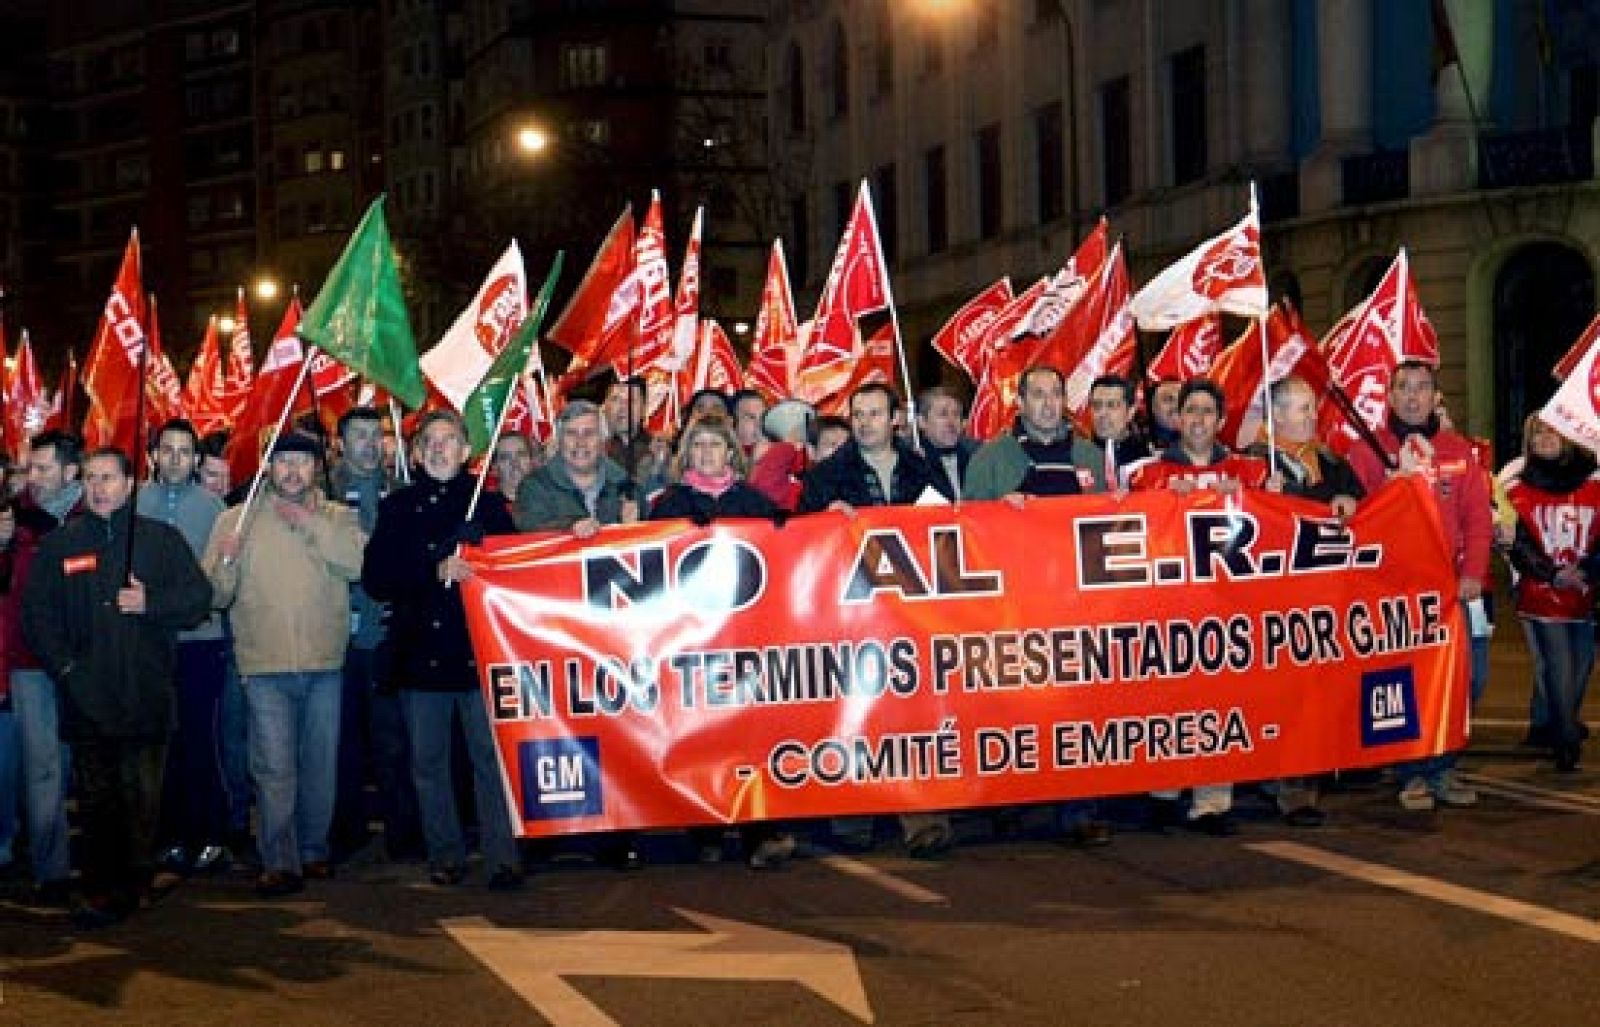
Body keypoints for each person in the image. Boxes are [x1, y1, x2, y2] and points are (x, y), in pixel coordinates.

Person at [22, 447, 211, 927]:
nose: (98, 487)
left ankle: (136, 882)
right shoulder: (63, 545)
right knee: (96, 799)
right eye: (90, 478)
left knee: (142, 797)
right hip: (87, 695)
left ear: (130, 485)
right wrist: (66, 669)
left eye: (108, 478)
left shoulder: (159, 540)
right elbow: (38, 616)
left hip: (146, 694)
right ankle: (99, 888)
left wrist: (151, 602)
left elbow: (198, 600)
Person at [362, 410, 524, 890]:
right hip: (419, 657)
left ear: (466, 450)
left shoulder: (488, 506)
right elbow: (377, 579)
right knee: (428, 763)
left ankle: (502, 855)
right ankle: (445, 852)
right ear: (415, 453)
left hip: (479, 654)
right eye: (429, 441)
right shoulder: (397, 508)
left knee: (489, 762)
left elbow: (516, 571)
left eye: (449, 440)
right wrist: (433, 569)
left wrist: (483, 558)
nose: (438, 449)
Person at [204, 432, 367, 896]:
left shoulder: (337, 516)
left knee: (320, 763)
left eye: (302, 462)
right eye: (283, 462)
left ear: (316, 468)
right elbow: (214, 594)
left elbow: (358, 564)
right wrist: (227, 563)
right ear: (266, 466)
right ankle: (278, 859)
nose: (292, 471)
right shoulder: (237, 520)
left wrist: (310, 524)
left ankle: (314, 850)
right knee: (273, 766)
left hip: (325, 662)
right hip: (263, 665)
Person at [799, 384, 951, 857]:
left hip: (911, 614)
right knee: (854, 711)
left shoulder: (922, 470)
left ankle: (922, 817)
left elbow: (950, 529)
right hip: (851, 615)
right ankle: (852, 815)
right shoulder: (825, 478)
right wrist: (823, 520)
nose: (865, 422)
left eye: (874, 414)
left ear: (894, 420)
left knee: (913, 715)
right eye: (858, 415)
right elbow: (799, 539)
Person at [962, 366, 1112, 847]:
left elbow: (1111, 526)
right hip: (1015, 609)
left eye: (1056, 394)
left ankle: (1079, 811)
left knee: (1078, 709)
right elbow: (964, 529)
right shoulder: (991, 460)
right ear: (1020, 403)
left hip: (1076, 607)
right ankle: (1011, 800)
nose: (1048, 404)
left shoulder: (1089, 456)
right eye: (1038, 395)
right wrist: (997, 512)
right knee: (1016, 707)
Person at [646, 416, 797, 869]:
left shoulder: (754, 503)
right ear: (686, 455)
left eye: (716, 445)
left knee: (750, 736)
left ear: (731, 453)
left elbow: (787, 555)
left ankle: (759, 832)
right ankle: (705, 829)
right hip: (692, 644)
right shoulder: (669, 506)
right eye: (698, 446)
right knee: (702, 735)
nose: (707, 453)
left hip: (745, 639)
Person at [1347, 360, 1492, 812]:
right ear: (1389, 397)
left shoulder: (1457, 451)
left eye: (1422, 387)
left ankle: (1444, 764)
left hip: (1452, 592)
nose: (1413, 396)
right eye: (1404, 388)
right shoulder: (1368, 451)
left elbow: (1477, 519)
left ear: (1435, 397)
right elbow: (1353, 518)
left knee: (1467, 678)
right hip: (1396, 593)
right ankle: (1413, 772)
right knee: (1406, 685)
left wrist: (1473, 574)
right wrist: (1393, 486)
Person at [1127, 378, 1268, 836]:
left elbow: (1278, 521)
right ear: (1177, 418)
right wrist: (1163, 502)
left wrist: (1257, 496)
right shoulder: (1151, 475)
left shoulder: (1249, 473)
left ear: (1221, 420)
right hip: (1171, 609)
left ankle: (1212, 801)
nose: (1199, 420)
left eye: (1209, 411)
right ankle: (1164, 793)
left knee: (1218, 706)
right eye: (1191, 411)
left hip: (1226, 612)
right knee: (1168, 702)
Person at [514, 401, 642, 868]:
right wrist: (569, 533)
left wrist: (635, 527)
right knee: (552, 732)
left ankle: (618, 834)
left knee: (617, 734)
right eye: (573, 435)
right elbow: (526, 534)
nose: (582, 443)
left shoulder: (626, 485)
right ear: (558, 440)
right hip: (554, 632)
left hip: (614, 633)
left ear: (604, 439)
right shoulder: (535, 487)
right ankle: (551, 832)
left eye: (591, 434)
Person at [1246, 377, 1366, 827]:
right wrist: (1266, 500)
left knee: (1315, 694)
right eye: (1300, 409)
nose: (1311, 416)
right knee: (1284, 696)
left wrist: (1349, 500)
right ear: (1275, 416)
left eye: (1312, 407)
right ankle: (1291, 787)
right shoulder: (1256, 462)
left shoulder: (1329, 459)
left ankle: (1302, 776)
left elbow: (1361, 500)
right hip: (1275, 603)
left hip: (1324, 601)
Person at [326, 406, 421, 863]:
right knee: (342, 743)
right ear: (341, 442)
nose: (368, 444)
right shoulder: (321, 493)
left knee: (393, 742)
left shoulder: (401, 493)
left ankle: (403, 833)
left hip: (386, 636)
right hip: (336, 638)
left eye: (375, 435)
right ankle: (345, 831)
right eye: (358, 435)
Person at [139, 419, 232, 876]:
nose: (175, 459)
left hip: (201, 641)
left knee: (201, 740)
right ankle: (167, 836)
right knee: (161, 744)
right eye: (167, 450)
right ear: (153, 455)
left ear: (197, 460)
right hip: (148, 644)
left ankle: (209, 834)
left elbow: (218, 577)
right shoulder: (135, 501)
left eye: (184, 451)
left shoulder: (215, 508)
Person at [4, 429, 84, 904]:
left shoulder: (91, 519)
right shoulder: (15, 523)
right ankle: (51, 869)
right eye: (30, 468)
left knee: (79, 764)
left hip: (82, 664)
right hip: (31, 662)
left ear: (71, 472)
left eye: (44, 468)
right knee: (44, 767)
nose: (33, 478)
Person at [1503, 416, 1600, 773]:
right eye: (1537, 433)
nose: (1544, 438)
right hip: (1540, 589)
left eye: (1551, 431)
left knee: (1583, 664)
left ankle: (1563, 722)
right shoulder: (1515, 482)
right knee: (1557, 664)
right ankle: (1565, 740)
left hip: (1585, 590)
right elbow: (1518, 542)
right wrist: (1553, 574)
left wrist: (1587, 572)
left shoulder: (1595, 480)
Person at [1083, 374, 1149, 491]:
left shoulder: (1148, 457)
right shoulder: (1078, 454)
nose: (1102, 413)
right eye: (1097, 405)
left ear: (1130, 412)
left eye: (1112, 405)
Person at [916, 385, 978, 500]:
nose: (951, 422)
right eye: (943, 414)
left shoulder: (977, 455)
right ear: (922, 422)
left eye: (956, 414)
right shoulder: (911, 462)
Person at [490, 430, 541, 507]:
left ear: (531, 462)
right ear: (495, 468)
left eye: (521, 454)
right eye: (506, 457)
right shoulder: (482, 508)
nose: (515, 463)